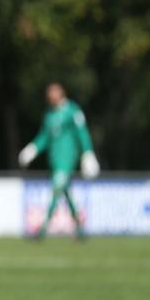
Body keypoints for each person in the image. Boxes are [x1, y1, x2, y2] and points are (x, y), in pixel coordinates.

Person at [18, 82, 99, 238]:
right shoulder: (49, 114)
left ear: (61, 94)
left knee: (57, 189)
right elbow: (44, 137)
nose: (51, 99)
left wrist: (88, 153)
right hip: (55, 160)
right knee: (65, 192)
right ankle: (80, 230)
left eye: (53, 95)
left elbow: (82, 133)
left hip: (67, 159)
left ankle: (42, 230)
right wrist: (32, 149)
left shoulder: (72, 111)